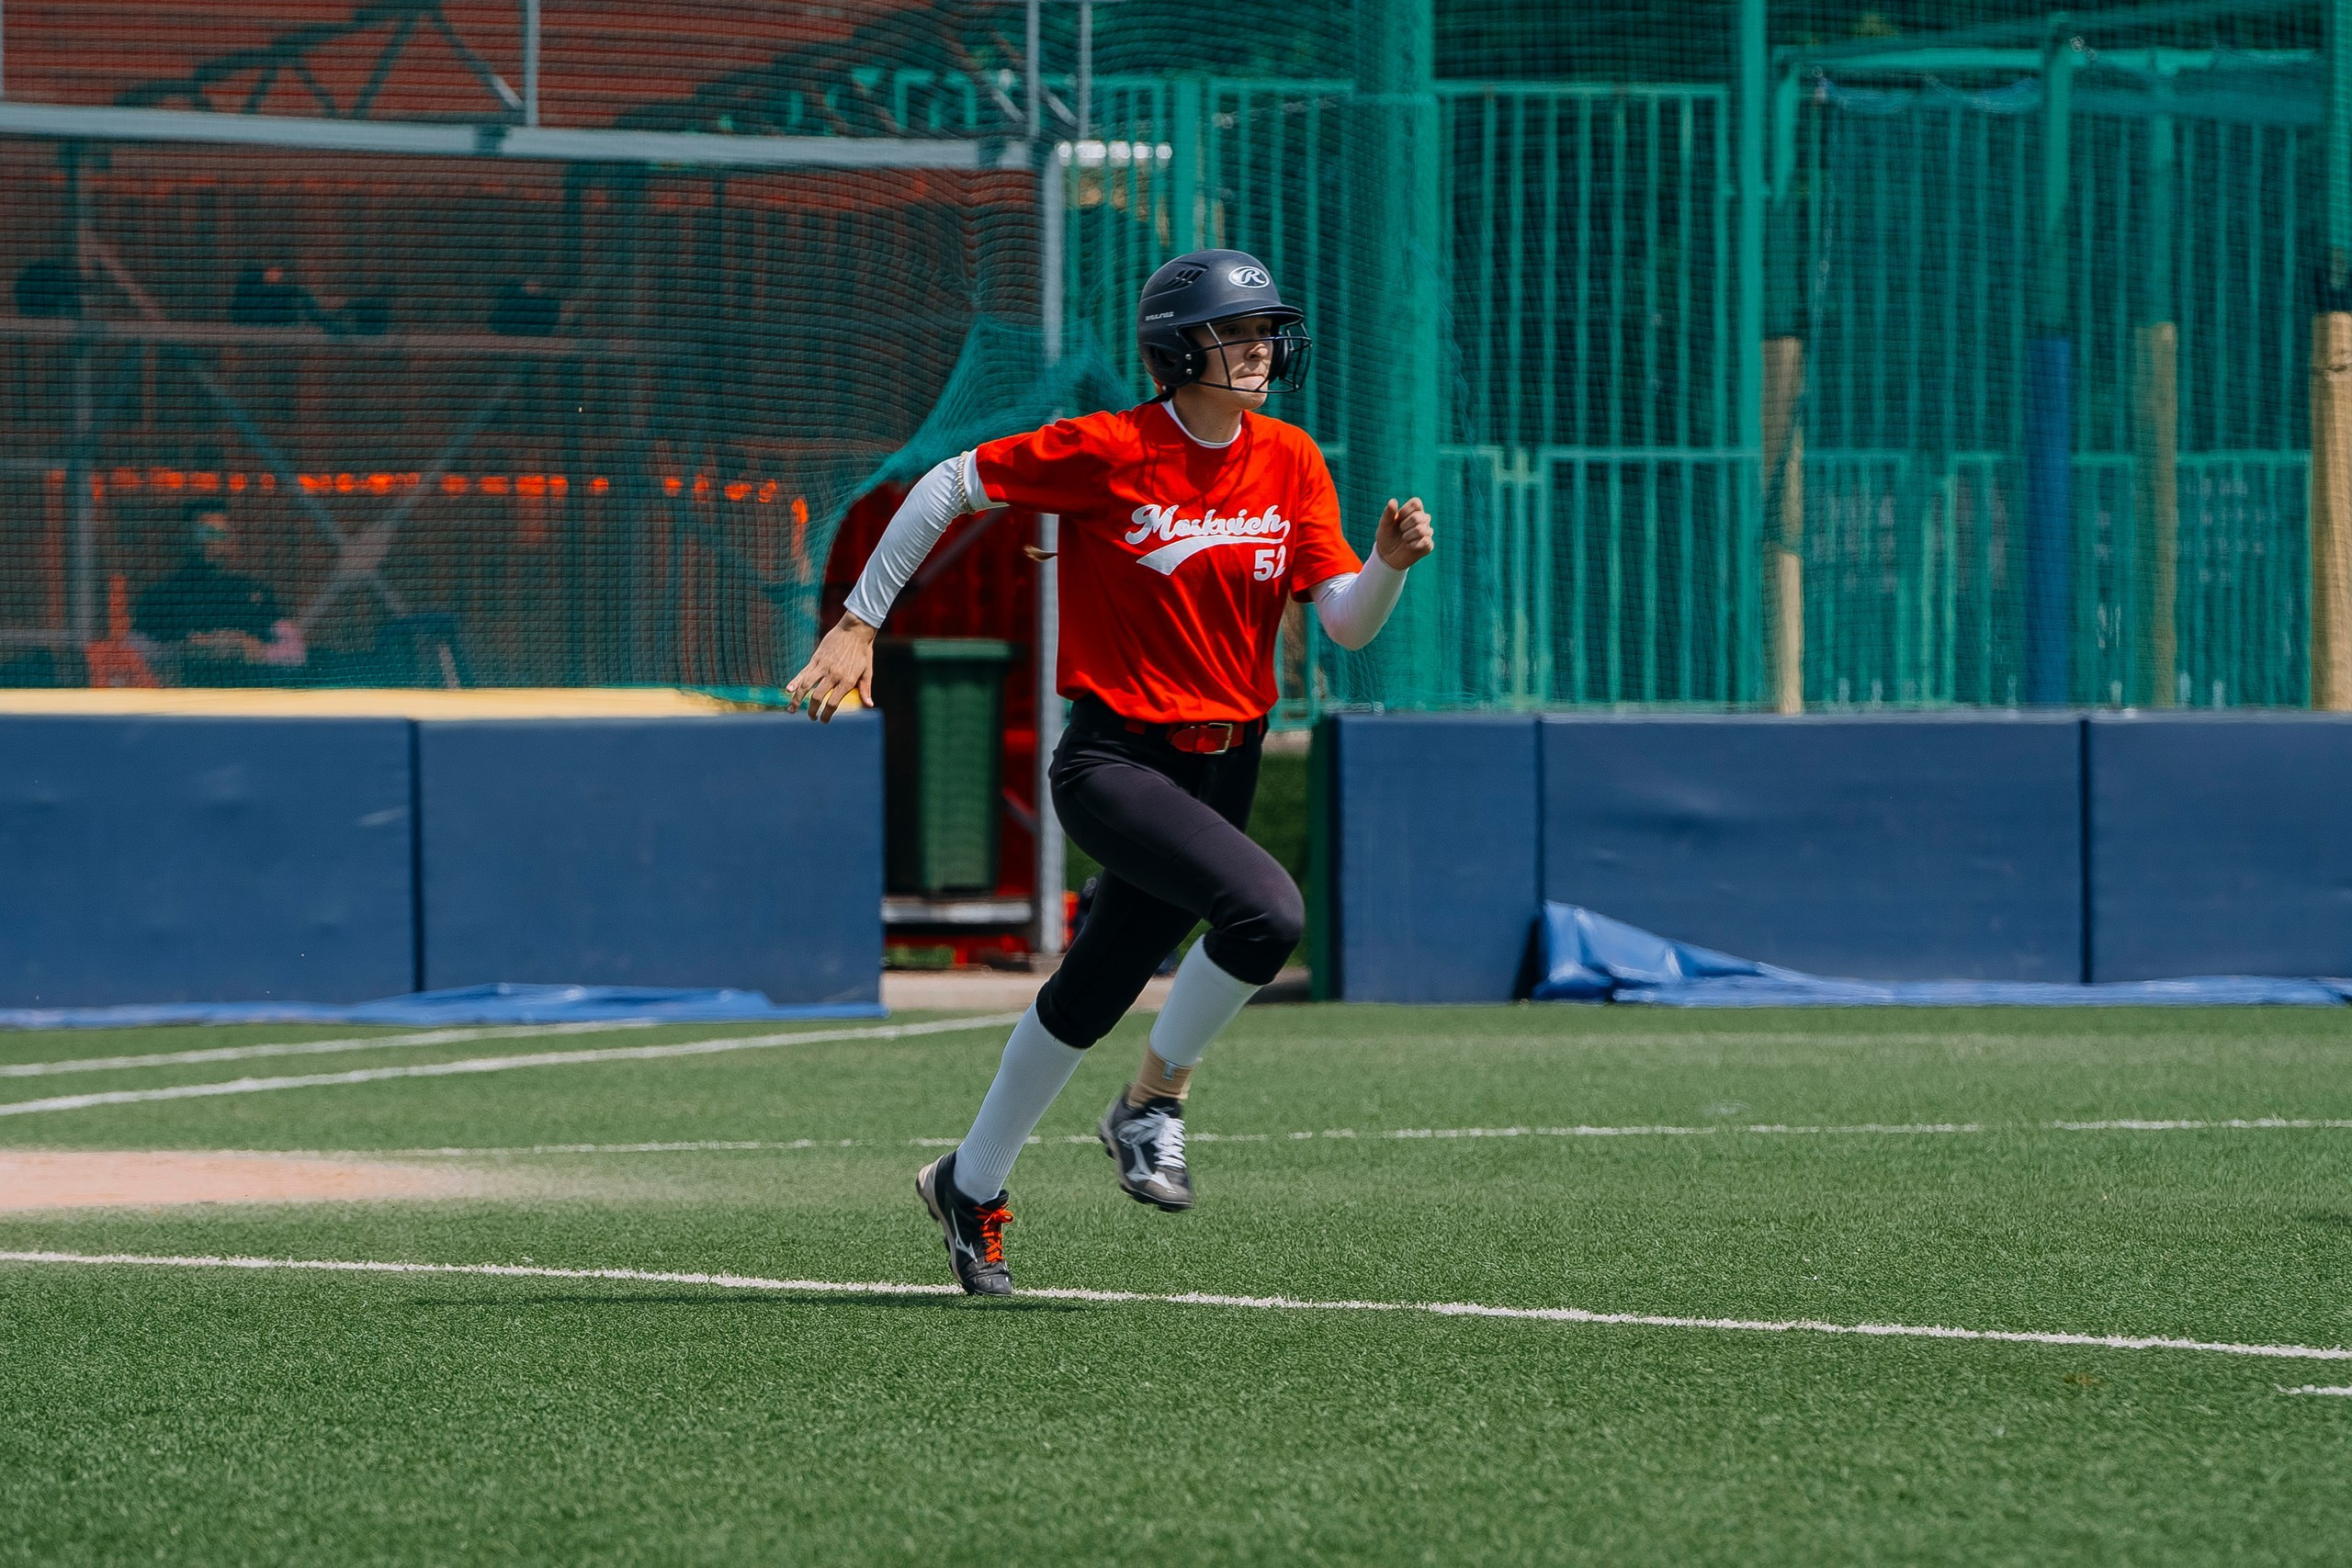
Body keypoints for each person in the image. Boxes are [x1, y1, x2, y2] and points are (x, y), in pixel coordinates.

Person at [785, 249, 1435, 1295]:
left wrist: (1386, 567)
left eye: (1270, 328)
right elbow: (948, 485)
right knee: (1266, 914)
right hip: (1116, 758)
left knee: (1091, 990)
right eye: (1241, 330)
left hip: (1230, 758)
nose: (1264, 346)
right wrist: (860, 621)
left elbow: (1348, 627)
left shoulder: (1292, 459)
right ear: (1181, 349)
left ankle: (970, 1185)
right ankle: (1151, 1104)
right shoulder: (1110, 449)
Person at [133, 502, 306, 685]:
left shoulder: (254, 593)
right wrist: (184, 650)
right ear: (185, 537)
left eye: (218, 534)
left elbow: (297, 653)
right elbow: (131, 653)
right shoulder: (162, 596)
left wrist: (252, 650)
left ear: (230, 538)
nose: (210, 542)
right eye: (202, 533)